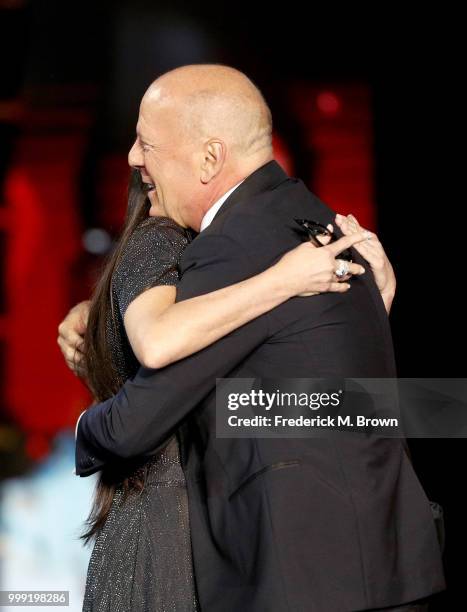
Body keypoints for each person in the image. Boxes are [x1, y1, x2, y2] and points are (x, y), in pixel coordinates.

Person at [60, 65, 444, 611]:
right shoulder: (316, 223)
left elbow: (134, 423)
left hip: (303, 579)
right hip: (387, 566)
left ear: (210, 158)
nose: (131, 158)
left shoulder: (234, 247)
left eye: (147, 143)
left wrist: (84, 422)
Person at [64, 166, 368, 611]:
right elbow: (151, 382)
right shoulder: (167, 243)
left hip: (225, 529)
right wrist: (283, 281)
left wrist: (375, 304)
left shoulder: (242, 253)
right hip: (170, 532)